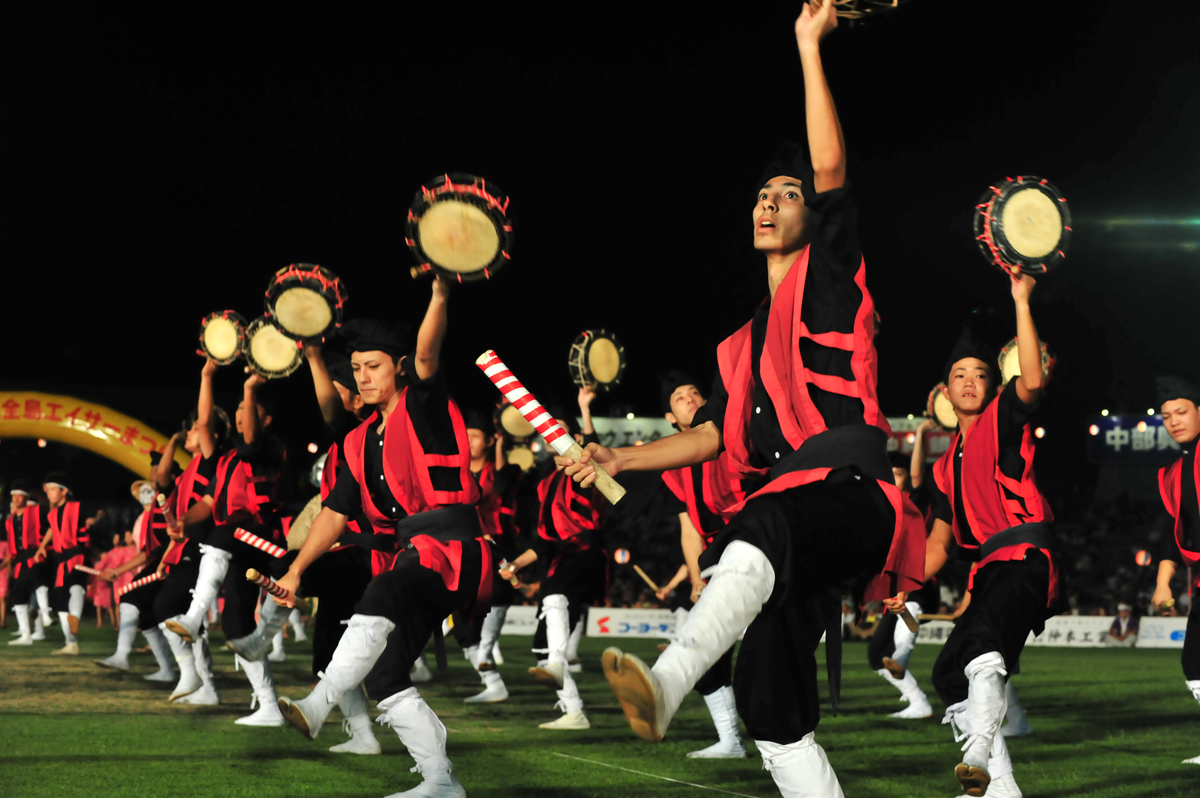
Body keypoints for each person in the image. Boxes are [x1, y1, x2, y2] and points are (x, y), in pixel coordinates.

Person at [563, 6, 922, 794]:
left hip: (852, 499)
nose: (770, 204)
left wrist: (806, 43)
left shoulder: (828, 282)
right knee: (771, 706)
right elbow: (712, 441)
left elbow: (832, 172)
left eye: (786, 196)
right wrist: (619, 454)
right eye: (761, 194)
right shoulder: (738, 344)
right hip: (793, 517)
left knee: (749, 529)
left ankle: (666, 682)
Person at [275, 278, 495, 798]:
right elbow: (334, 512)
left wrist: (440, 294)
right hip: (409, 558)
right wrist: (295, 570)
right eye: (356, 369)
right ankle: (441, 782)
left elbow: (427, 352)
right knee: (387, 676)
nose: (363, 377)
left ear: (397, 366)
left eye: (373, 366)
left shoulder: (426, 406)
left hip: (454, 552)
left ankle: (320, 701)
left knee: (380, 594)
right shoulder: (354, 440)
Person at [919, 272, 1059, 798]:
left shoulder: (1004, 418)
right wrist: (903, 581)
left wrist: (1021, 300)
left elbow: (1033, 379)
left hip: (1026, 557)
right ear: (946, 389)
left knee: (978, 642)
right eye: (960, 375)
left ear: (991, 384)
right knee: (948, 675)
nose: (971, 382)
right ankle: (1002, 790)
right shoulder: (941, 468)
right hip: (991, 572)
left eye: (981, 374)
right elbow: (938, 544)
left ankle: (978, 751)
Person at [166, 361, 290, 726]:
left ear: (265, 419)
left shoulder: (267, 446)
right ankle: (269, 707)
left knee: (220, 533)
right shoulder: (225, 458)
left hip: (266, 540)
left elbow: (249, 438)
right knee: (237, 625)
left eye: (249, 409)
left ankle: (193, 615)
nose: (240, 415)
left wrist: (249, 389)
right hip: (239, 545)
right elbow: (207, 503)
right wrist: (182, 523)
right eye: (236, 408)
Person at [502, 389, 607, 730]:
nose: (548, 433)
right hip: (559, 559)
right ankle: (574, 711)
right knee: (540, 648)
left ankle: (560, 661)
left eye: (556, 428)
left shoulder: (582, 467)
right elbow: (543, 541)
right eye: (545, 429)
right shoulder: (544, 482)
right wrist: (517, 564)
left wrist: (584, 409)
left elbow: (592, 447)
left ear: (574, 438)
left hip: (585, 552)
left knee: (555, 593)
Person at [656, 371, 748, 758]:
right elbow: (690, 530)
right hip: (718, 558)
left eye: (696, 392)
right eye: (680, 396)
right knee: (708, 654)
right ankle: (730, 741)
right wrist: (697, 580)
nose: (691, 398)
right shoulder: (673, 468)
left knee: (761, 659)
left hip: (756, 546)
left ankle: (661, 684)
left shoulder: (736, 438)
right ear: (670, 418)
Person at [1148, 375, 1200, 766]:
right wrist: (1163, 582)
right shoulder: (1170, 474)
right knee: (1194, 662)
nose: (1174, 421)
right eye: (1166, 416)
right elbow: (1170, 535)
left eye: (1181, 412)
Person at [865, 439, 938, 721]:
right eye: (890, 472)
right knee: (876, 655)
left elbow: (918, 475)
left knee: (902, 638)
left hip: (919, 585)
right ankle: (918, 701)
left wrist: (921, 431)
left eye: (899, 472)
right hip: (896, 591)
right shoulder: (883, 508)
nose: (894, 477)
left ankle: (902, 661)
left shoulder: (918, 501)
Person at [93, 480, 178, 682]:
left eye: (149, 489)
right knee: (147, 617)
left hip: (163, 565)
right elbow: (144, 551)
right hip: (153, 566)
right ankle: (167, 670)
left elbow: (150, 552)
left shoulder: (159, 514)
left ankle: (123, 655)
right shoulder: (143, 518)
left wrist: (120, 570)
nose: (145, 493)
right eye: (141, 491)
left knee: (133, 601)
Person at [33, 472, 104, 655]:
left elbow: (97, 516)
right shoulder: (53, 513)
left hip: (77, 555)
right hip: (61, 559)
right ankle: (71, 643)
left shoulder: (78, 507)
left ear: (64, 491)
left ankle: (73, 633)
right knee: (62, 603)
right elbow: (52, 529)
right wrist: (42, 547)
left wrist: (94, 522)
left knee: (75, 588)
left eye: (51, 489)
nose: (48, 493)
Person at [4, 479, 49, 645]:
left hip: (35, 551)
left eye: (19, 495)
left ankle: (46, 614)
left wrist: (43, 546)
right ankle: (25, 635)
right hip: (19, 558)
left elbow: (54, 522)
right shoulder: (11, 520)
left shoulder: (37, 511)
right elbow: (12, 547)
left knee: (38, 579)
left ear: (25, 497)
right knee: (19, 594)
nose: (16, 499)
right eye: (14, 496)